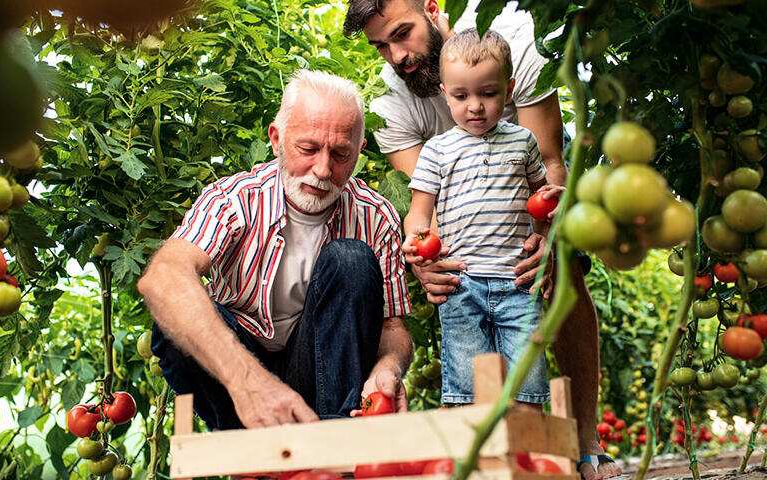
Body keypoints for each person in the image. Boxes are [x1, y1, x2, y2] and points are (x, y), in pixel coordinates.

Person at [343, 1, 621, 479]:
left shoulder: (511, 35)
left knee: (565, 264)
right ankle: (475, 453)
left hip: (523, 218)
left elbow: (550, 164)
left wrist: (548, 238)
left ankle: (583, 437)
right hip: (463, 240)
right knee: (462, 346)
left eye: (402, 34)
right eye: (380, 46)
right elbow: (425, 206)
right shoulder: (393, 102)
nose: (395, 56)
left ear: (432, 7)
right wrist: (422, 260)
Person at [137, 69, 413, 430]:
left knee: (351, 260)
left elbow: (393, 326)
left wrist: (388, 366)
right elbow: (163, 278)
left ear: (359, 152)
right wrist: (249, 382)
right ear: (276, 138)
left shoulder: (375, 216)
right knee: (175, 323)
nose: (323, 169)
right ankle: (248, 440)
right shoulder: (234, 200)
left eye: (341, 154)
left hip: (324, 376)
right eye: (308, 149)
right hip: (238, 379)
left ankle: (337, 440)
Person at [403, 28, 559, 408]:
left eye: (488, 93)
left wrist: (548, 221)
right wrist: (416, 242)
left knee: (528, 386)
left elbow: (542, 198)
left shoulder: (523, 141)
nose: (475, 106)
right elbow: (419, 214)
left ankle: (528, 462)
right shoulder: (437, 151)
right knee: (468, 392)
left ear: (509, 89)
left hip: (518, 281)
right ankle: (476, 464)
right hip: (461, 283)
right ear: (444, 93)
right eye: (461, 96)